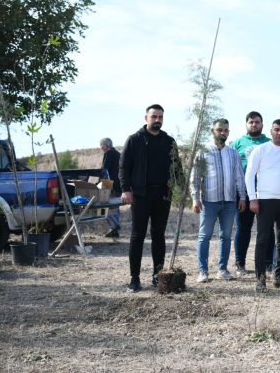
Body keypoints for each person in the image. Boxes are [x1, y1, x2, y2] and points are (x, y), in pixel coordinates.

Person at [119, 104, 183, 293]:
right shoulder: (134, 140)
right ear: (146, 118)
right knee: (137, 236)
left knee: (158, 236)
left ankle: (158, 276)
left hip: (162, 195)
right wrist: (125, 189)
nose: (157, 120)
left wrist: (182, 188)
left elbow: (177, 167)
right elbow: (123, 168)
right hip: (140, 195)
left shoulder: (169, 141)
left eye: (160, 117)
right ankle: (134, 278)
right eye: (154, 116)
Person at [245, 119, 280, 292]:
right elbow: (249, 175)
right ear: (271, 131)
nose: (279, 133)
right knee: (262, 240)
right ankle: (260, 279)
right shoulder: (260, 150)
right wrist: (252, 198)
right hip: (265, 200)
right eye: (276, 129)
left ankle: (279, 277)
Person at [190, 119, 246, 283]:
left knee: (226, 236)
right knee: (204, 236)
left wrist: (242, 196)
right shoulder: (203, 152)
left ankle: (222, 269)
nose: (223, 133)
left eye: (226, 130)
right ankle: (203, 271)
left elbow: (238, 177)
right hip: (209, 202)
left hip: (229, 202)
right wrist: (195, 199)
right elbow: (195, 177)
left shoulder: (232, 153)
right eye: (220, 130)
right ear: (212, 131)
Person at [229, 111, 270, 275]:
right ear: (246, 124)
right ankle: (240, 263)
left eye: (257, 122)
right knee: (243, 228)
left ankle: (268, 264)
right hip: (244, 192)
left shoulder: (269, 142)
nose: (254, 124)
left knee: (266, 230)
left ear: (262, 124)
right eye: (251, 122)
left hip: (266, 192)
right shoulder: (237, 143)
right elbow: (231, 168)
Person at [100, 137, 122, 238]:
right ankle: (114, 228)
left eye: (101, 145)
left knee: (108, 205)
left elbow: (104, 170)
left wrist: (100, 183)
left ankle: (114, 227)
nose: (101, 148)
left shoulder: (108, 154)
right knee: (115, 206)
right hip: (119, 184)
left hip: (110, 184)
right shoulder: (118, 154)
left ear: (105, 145)